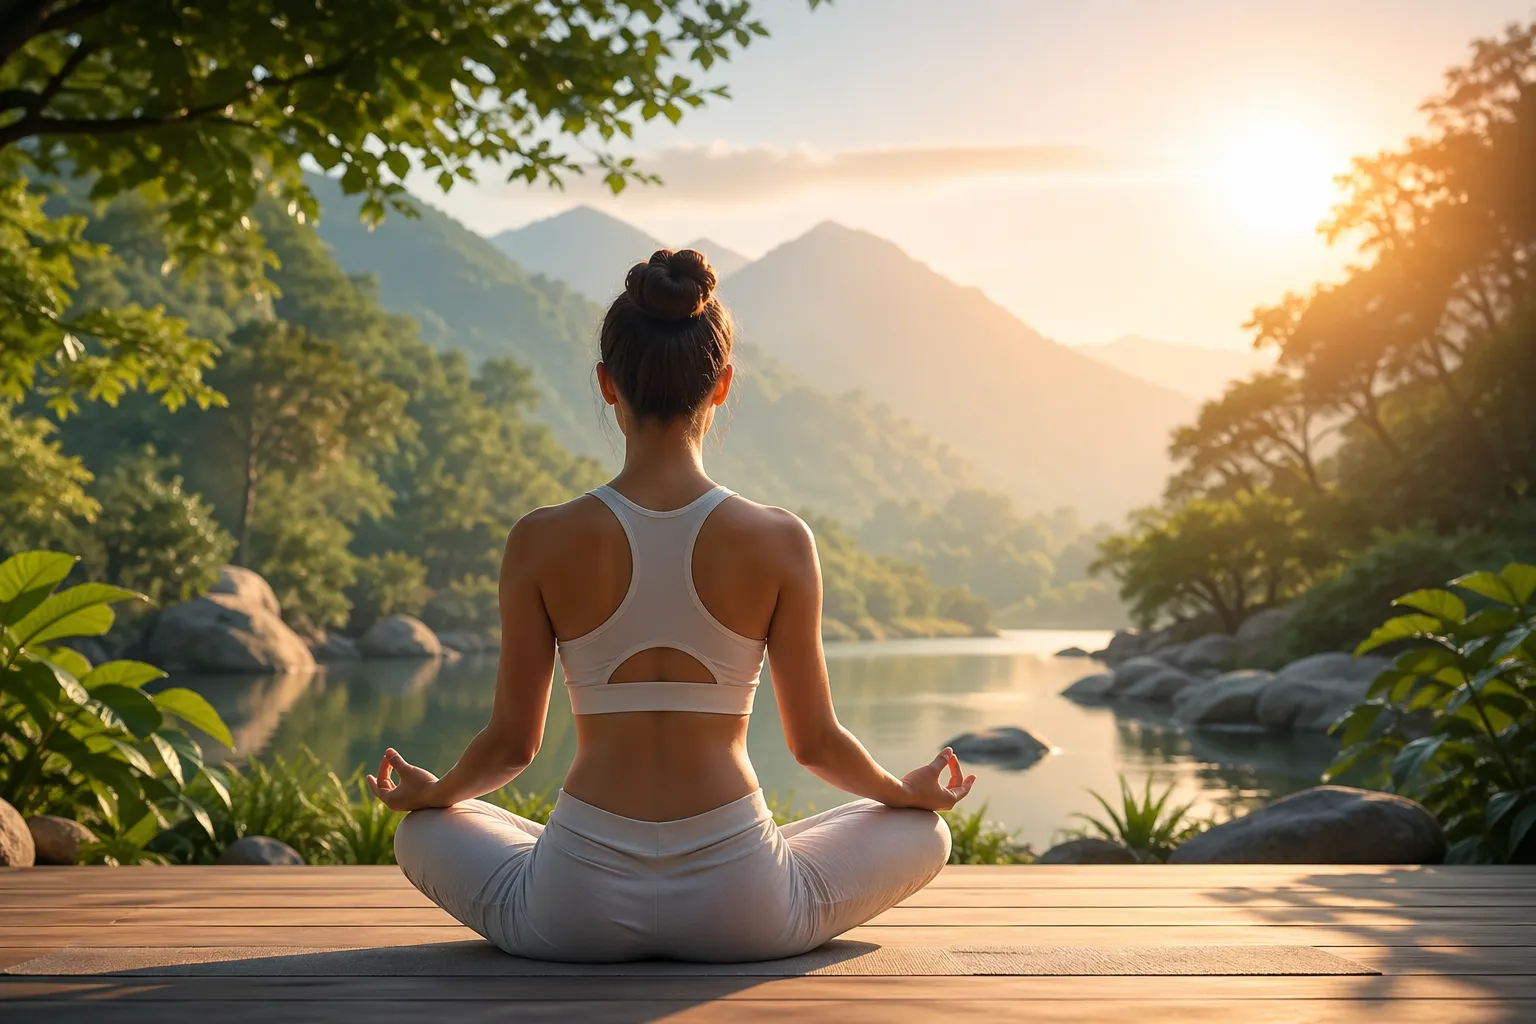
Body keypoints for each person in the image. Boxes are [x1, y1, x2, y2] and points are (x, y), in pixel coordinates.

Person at [367, 248, 975, 963]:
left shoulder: (540, 540)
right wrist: (902, 792)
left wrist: (435, 794)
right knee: (923, 833)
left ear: (606, 385)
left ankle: (544, 850)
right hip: (743, 908)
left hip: (572, 913)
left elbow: (511, 748)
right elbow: (814, 744)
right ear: (721, 386)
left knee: (424, 830)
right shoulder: (780, 540)